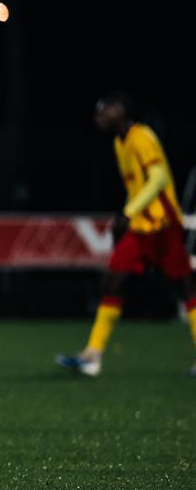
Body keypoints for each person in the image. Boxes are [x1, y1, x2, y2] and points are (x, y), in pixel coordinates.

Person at [56, 92, 196, 377]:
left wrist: (128, 212)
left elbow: (158, 180)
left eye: (103, 110)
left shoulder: (141, 136)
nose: (99, 116)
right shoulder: (120, 143)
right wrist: (127, 216)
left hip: (163, 227)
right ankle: (92, 356)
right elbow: (137, 186)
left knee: (186, 289)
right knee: (112, 282)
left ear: (120, 111)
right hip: (140, 228)